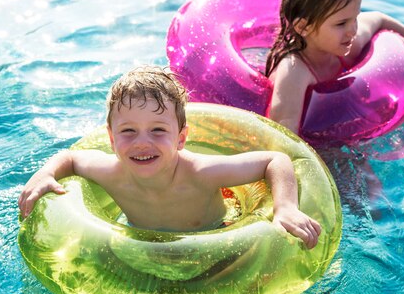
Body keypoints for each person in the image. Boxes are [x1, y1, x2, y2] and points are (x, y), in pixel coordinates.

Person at [18, 66, 322, 248]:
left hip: (217, 237)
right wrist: (45, 174)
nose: (142, 143)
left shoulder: (201, 172)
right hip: (145, 245)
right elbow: (70, 158)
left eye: (158, 130)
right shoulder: (110, 172)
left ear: (181, 139)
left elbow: (275, 161)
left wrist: (285, 208)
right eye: (128, 131)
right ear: (111, 139)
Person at [265, 0, 404, 132]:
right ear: (303, 27)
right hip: (316, 135)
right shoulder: (294, 71)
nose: (352, 30)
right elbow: (283, 137)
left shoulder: (347, 43)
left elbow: (380, 19)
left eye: (355, 18)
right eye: (341, 23)